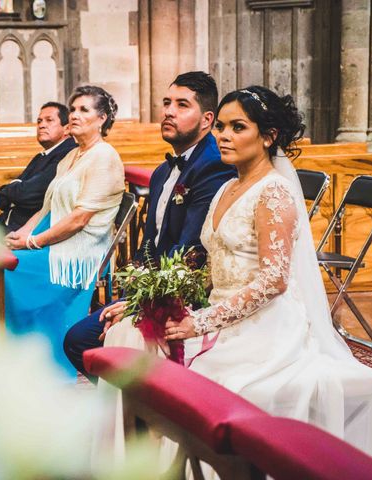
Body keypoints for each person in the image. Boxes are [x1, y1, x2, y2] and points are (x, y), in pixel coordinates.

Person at [104, 86, 372, 470]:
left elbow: (274, 280)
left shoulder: (273, 193)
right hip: (220, 312)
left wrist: (201, 322)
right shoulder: (228, 187)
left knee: (211, 385)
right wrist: (162, 302)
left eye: (238, 127)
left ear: (268, 136)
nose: (223, 136)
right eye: (222, 127)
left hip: (266, 326)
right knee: (132, 336)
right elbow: (212, 266)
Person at [64, 72, 237, 381]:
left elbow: (192, 253)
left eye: (182, 105)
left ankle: (146, 416)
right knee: (81, 340)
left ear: (207, 119)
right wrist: (131, 294)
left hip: (186, 294)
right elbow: (149, 244)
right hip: (153, 287)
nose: (169, 111)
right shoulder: (161, 173)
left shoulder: (213, 167)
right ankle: (135, 415)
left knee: (84, 342)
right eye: (167, 103)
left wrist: (136, 305)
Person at [0, 85, 125, 379]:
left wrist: (33, 243)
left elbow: (79, 219)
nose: (74, 115)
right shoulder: (71, 157)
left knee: (4, 272)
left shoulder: (104, 156)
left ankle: (33, 358)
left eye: (84, 110)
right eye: (73, 109)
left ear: (102, 119)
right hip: (54, 239)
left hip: (78, 252)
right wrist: (19, 237)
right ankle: (12, 355)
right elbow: (45, 209)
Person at [0, 102, 77, 232]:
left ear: (67, 129)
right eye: (39, 121)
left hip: (28, 230)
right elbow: (1, 200)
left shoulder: (67, 153)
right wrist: (16, 189)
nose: (41, 125)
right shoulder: (41, 156)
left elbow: (28, 194)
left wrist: (12, 188)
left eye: (49, 120)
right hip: (8, 222)